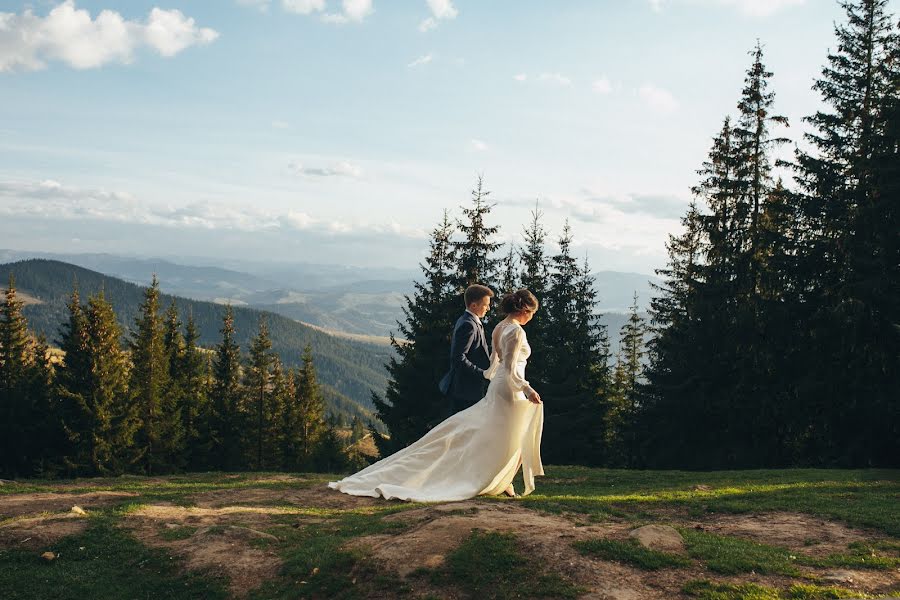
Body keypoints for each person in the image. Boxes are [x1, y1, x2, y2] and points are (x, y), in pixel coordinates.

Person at [328, 289, 544, 502]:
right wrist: (527, 389)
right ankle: (496, 478)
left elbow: (494, 366)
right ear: (524, 310)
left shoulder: (499, 327)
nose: (532, 317)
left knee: (496, 434)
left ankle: (500, 478)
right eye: (531, 313)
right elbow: (509, 369)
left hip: (499, 387)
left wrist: (490, 379)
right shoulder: (516, 332)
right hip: (510, 389)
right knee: (512, 435)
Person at [439, 284, 493, 415]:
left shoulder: (469, 321)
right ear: (474, 306)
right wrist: (482, 373)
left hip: (468, 389)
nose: (488, 308)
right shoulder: (468, 325)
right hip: (465, 391)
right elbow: (458, 358)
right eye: (485, 305)